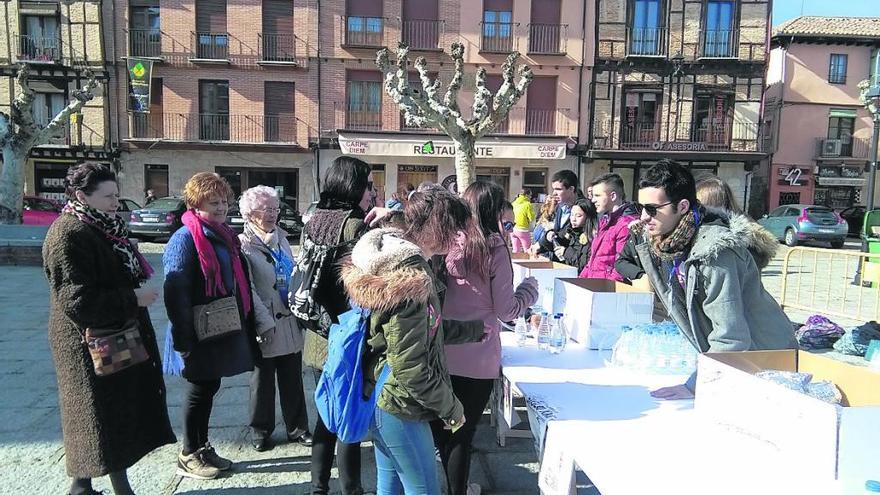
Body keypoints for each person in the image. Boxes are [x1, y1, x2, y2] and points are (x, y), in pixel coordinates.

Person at [341, 188, 486, 495]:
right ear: (436, 226)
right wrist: (452, 409)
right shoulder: (412, 275)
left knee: (390, 487)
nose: (459, 238)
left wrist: (471, 331)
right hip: (398, 404)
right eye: (454, 229)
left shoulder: (406, 263)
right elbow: (410, 367)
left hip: (383, 397)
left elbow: (422, 329)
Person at [43, 162, 175, 495]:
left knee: (100, 417)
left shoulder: (101, 227)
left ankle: (82, 485)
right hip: (88, 341)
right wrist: (133, 297)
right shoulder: (68, 233)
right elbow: (75, 299)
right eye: (108, 196)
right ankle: (113, 487)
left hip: (111, 333)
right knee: (100, 415)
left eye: (117, 194)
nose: (116, 202)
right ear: (81, 196)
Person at [617, 160, 797, 400]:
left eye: (652, 209)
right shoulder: (668, 243)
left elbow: (730, 337)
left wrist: (695, 386)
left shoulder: (715, 252)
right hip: (738, 362)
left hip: (766, 362)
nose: (643, 217)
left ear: (682, 206)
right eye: (641, 207)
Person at [433, 181, 539, 495]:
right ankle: (458, 489)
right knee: (463, 434)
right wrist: (528, 292)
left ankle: (448, 485)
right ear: (494, 210)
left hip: (443, 346)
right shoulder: (494, 247)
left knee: (445, 428)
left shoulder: (446, 242)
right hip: (479, 353)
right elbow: (507, 310)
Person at [164, 172, 260, 479]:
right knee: (198, 388)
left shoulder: (222, 234)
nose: (220, 208)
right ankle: (188, 452)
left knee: (209, 387)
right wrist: (183, 339)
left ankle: (202, 446)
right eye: (213, 202)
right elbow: (175, 289)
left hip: (217, 326)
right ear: (195, 203)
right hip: (196, 329)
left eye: (223, 202)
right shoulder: (186, 237)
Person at [301, 156, 375, 495]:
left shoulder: (314, 220)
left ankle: (317, 486)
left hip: (317, 334)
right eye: (368, 186)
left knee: (324, 414)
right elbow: (364, 286)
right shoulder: (355, 227)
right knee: (347, 417)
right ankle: (352, 489)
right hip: (347, 336)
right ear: (353, 187)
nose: (372, 193)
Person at [237, 186, 313, 452]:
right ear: (250, 214)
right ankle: (261, 430)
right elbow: (248, 290)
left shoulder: (280, 237)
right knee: (262, 380)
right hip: (266, 321)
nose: (272, 214)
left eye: (275, 209)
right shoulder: (243, 245)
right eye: (265, 209)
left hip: (289, 317)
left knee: (293, 377)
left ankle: (298, 428)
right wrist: (262, 322)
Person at [579, 173, 639, 281]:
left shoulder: (626, 224)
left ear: (613, 196)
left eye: (597, 196)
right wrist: (580, 281)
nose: (593, 200)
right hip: (595, 286)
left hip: (607, 291)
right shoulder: (604, 220)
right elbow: (593, 260)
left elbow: (621, 267)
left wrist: (605, 291)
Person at [540, 198, 597, 272]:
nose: (573, 219)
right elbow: (557, 239)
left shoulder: (592, 237)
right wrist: (548, 237)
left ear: (588, 217)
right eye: (572, 215)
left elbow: (584, 265)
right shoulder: (569, 230)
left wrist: (566, 252)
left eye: (578, 216)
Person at [510, 189, 535, 253]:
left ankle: (514, 262)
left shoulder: (513, 203)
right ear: (526, 195)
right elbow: (532, 218)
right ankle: (528, 263)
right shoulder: (528, 204)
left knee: (515, 250)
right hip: (523, 230)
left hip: (513, 229)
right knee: (528, 250)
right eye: (530, 195)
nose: (531, 197)